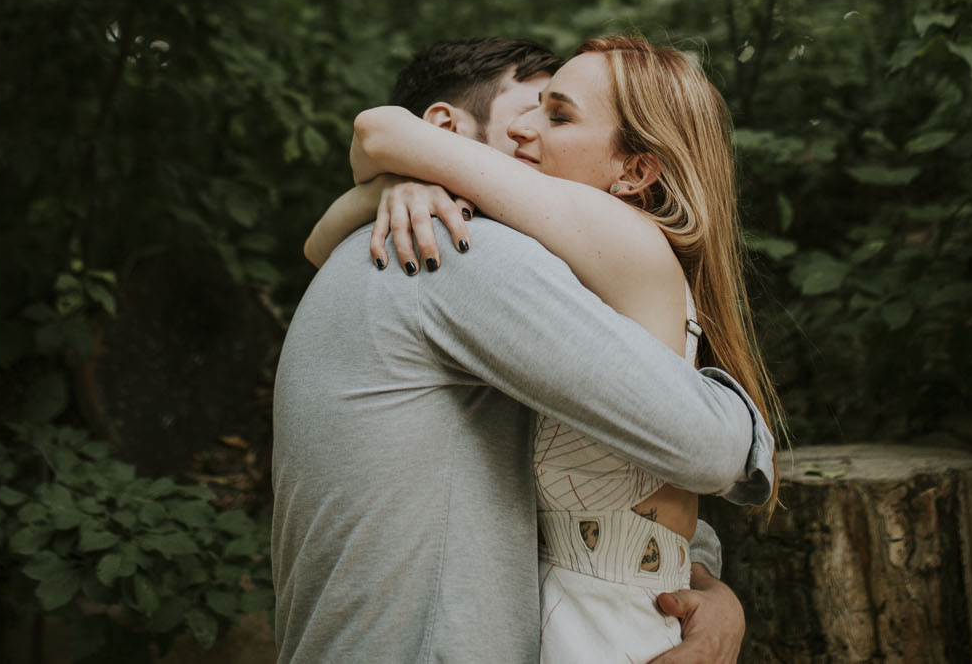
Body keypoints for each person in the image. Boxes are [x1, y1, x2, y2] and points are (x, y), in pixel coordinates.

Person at [272, 38, 771, 664]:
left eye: (555, 114)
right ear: (444, 131)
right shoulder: (453, 248)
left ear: (635, 169)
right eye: (526, 109)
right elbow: (705, 447)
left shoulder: (442, 241)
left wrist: (700, 584)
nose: (525, 128)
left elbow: (619, 479)